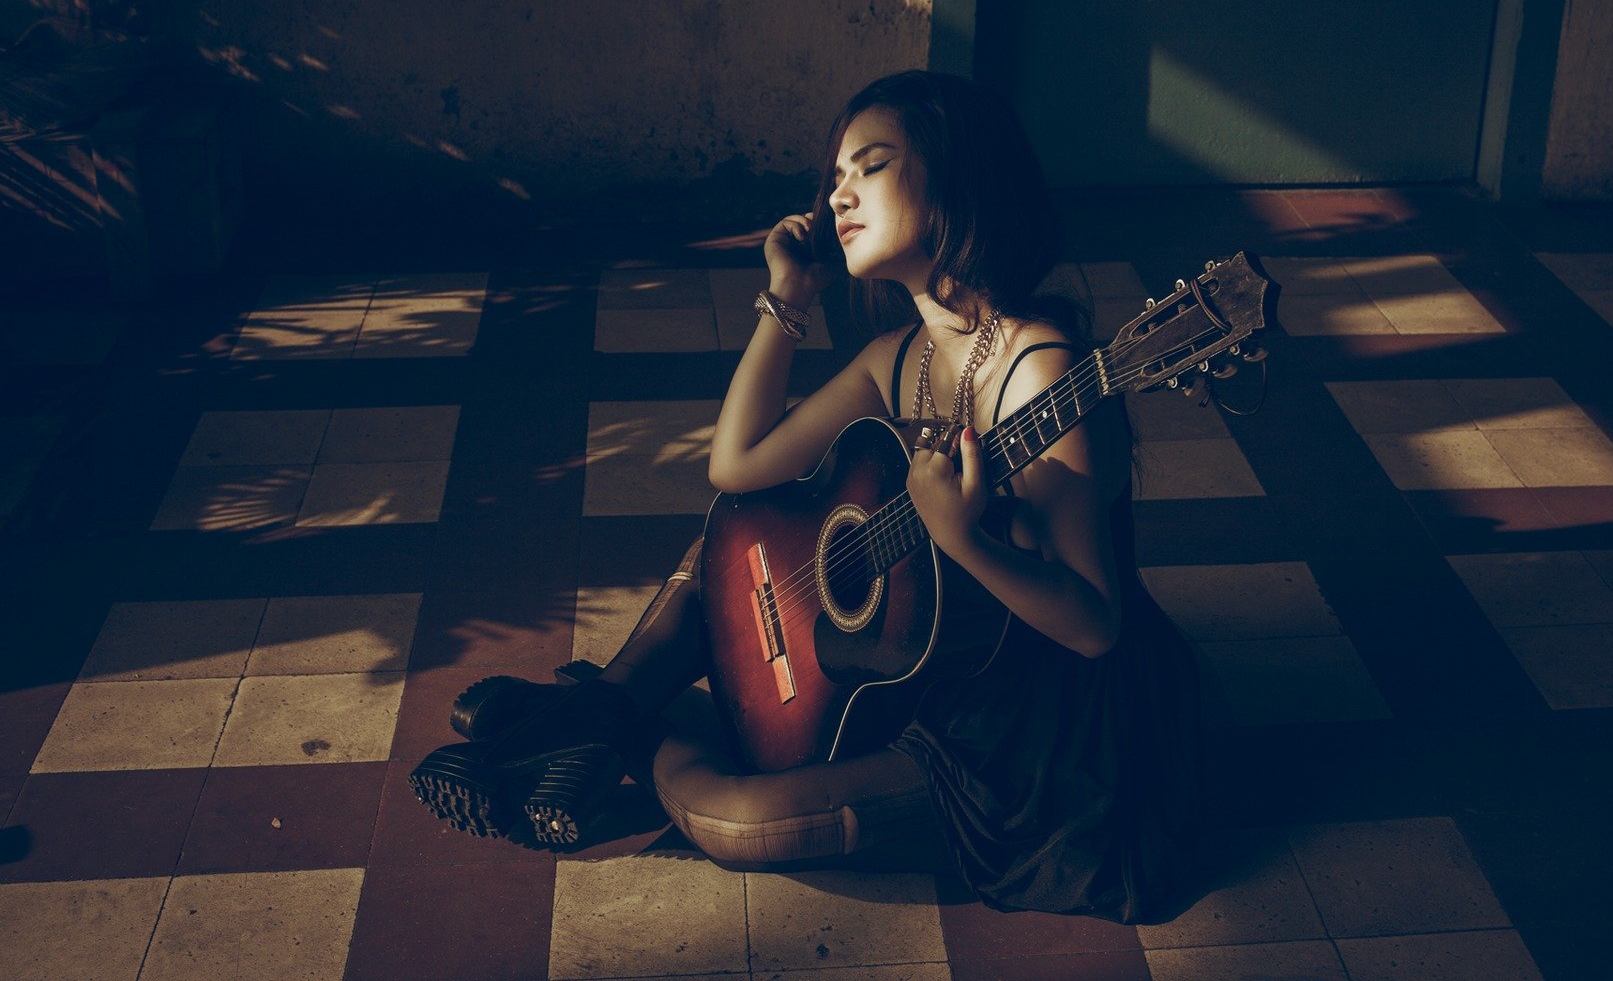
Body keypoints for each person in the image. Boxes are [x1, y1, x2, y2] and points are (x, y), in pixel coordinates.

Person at [410, 70, 1204, 923]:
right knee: (729, 542)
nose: (838, 195)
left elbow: (1094, 627)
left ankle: (592, 724)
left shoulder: (1039, 370)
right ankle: (592, 721)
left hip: (1027, 730)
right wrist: (787, 298)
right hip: (914, 657)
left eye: (870, 166)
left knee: (736, 821)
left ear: (956, 179)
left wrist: (966, 539)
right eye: (834, 177)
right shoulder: (896, 355)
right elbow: (737, 468)